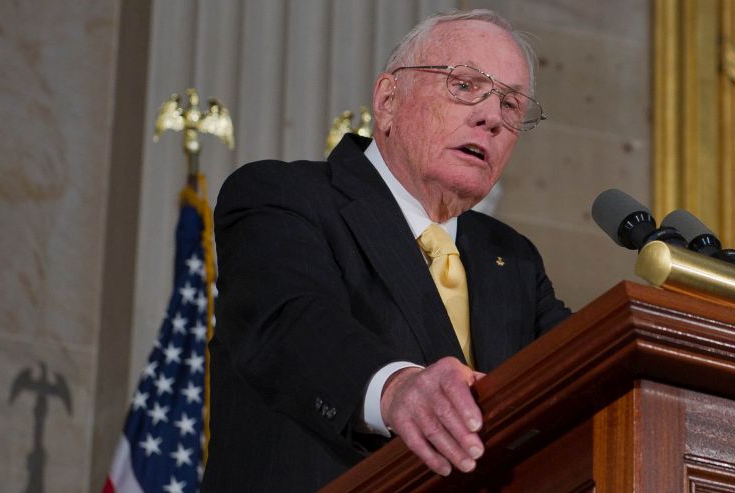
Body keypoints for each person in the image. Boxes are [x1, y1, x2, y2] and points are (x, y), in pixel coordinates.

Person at [201, 9, 571, 492]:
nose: (492, 118)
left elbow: (577, 365)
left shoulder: (514, 260)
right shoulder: (282, 195)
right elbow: (291, 324)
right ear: (388, 100)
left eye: (511, 104)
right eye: (464, 85)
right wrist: (395, 388)